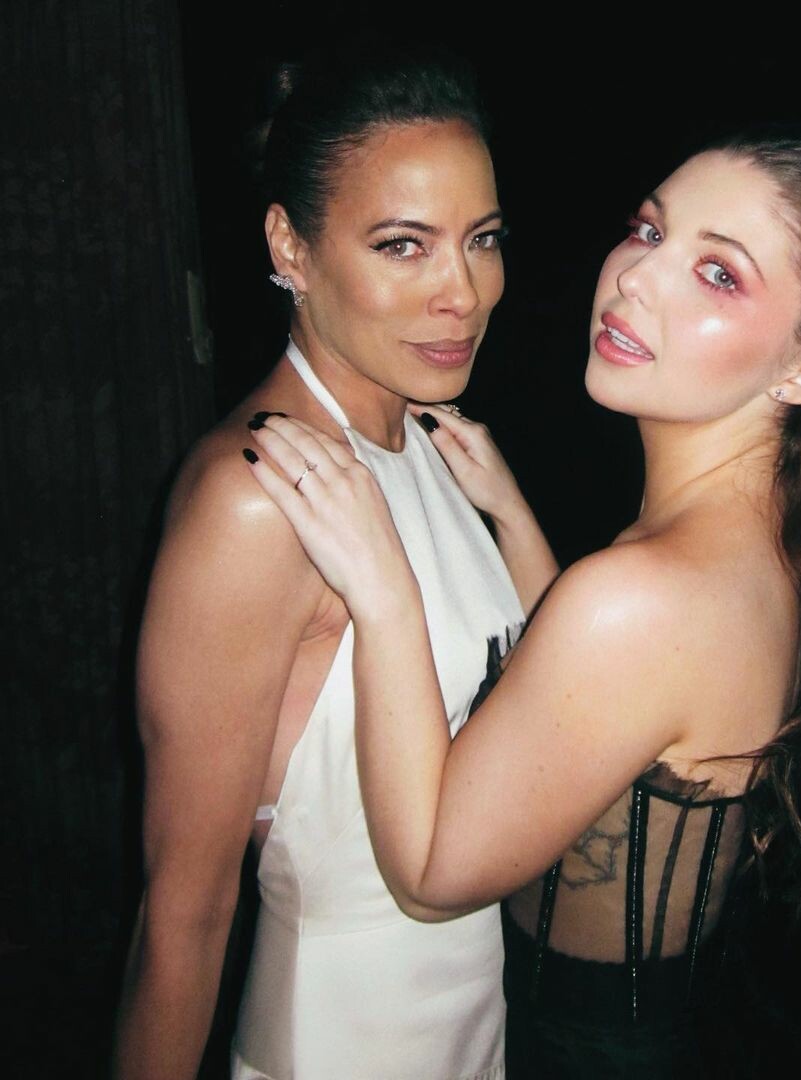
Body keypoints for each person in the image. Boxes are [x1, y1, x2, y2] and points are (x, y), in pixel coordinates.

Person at [245, 125, 801, 1077]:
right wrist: (513, 518)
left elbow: (433, 875)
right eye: (649, 231)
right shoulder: (768, 548)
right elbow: (599, 713)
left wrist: (384, 587)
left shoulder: (648, 593)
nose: (637, 278)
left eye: (719, 274)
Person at [113, 44, 558, 1080]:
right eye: (404, 245)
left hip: (474, 1036)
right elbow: (183, 915)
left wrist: (514, 516)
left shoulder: (432, 443)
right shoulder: (257, 499)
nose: (463, 293)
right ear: (292, 245)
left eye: (483, 240)